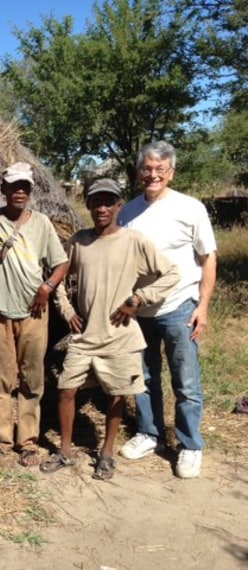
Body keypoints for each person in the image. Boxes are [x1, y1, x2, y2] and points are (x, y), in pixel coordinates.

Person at [40, 179, 180, 480]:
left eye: (109, 202)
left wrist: (139, 298)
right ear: (88, 206)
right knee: (66, 390)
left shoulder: (134, 241)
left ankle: (106, 453)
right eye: (96, 202)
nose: (102, 208)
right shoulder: (79, 241)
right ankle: (65, 451)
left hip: (120, 335)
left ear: (119, 206)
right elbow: (61, 277)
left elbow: (171, 273)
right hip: (85, 336)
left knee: (117, 395)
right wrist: (66, 310)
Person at [117, 141, 217, 479]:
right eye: (147, 168)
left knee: (185, 381)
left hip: (178, 306)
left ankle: (189, 445)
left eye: (160, 169)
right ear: (139, 172)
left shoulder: (190, 208)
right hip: (138, 311)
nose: (153, 174)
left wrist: (202, 307)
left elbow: (208, 259)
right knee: (143, 377)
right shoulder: (128, 212)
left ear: (171, 172)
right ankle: (150, 433)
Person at [0, 162, 69, 466]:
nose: (19, 192)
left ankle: (28, 442)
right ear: (3, 189)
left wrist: (47, 287)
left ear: (31, 191)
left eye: (25, 187)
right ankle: (2, 439)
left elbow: (61, 263)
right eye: (14, 186)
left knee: (32, 379)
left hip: (34, 313)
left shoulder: (42, 223)